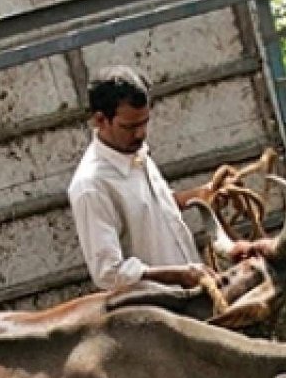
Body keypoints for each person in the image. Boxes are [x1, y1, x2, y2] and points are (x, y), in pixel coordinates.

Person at [68, 65, 215, 291]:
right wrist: (179, 274)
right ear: (100, 120)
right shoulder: (91, 186)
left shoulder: (136, 152)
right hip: (161, 314)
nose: (141, 134)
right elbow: (108, 273)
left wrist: (202, 195)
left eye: (144, 122)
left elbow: (155, 209)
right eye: (130, 126)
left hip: (190, 296)